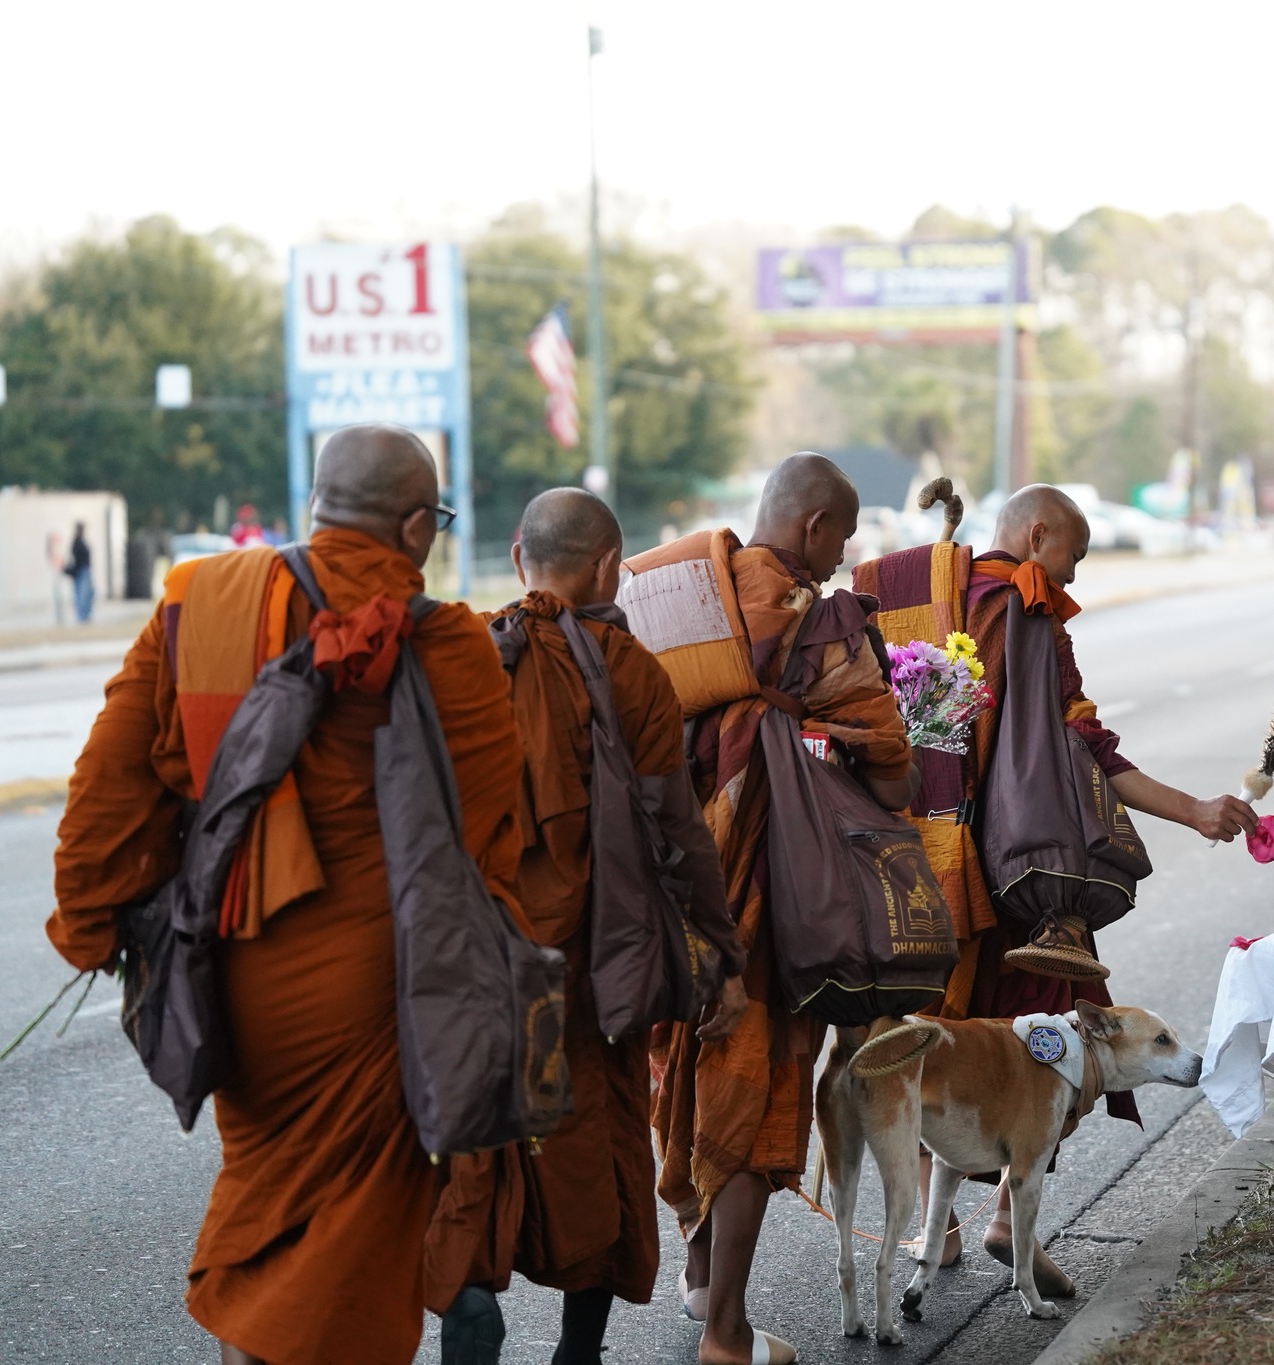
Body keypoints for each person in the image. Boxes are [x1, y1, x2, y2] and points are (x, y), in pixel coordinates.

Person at [47, 424, 523, 1365]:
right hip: (382, 989)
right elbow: (483, 840)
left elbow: (105, 789)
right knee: (344, 1253)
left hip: (239, 975)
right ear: (417, 522)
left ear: (316, 504)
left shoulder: (198, 601)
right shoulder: (452, 643)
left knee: (268, 1213)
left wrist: (92, 923)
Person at [902, 485, 1257, 1287]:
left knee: (939, 1028)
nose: (1074, 575)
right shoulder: (1030, 612)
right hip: (1025, 870)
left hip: (933, 859)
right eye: (1074, 553)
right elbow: (1089, 746)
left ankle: (942, 1230)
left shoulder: (938, 594)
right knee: (1059, 1034)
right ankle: (1006, 1213)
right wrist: (1195, 810)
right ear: (1037, 537)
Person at [424, 489, 747, 1364]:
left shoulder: (464, 653)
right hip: (587, 965)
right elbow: (677, 834)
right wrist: (717, 955)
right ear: (609, 568)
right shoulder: (630, 668)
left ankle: (466, 1301)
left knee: (476, 1138)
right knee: (597, 1143)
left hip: (480, 953)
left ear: (521, 554)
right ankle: (578, 1349)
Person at [650, 453, 918, 1365]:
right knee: (755, 1090)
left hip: (671, 883)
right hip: (770, 901)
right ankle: (725, 1330)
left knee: (686, 1064)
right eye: (840, 534)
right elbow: (893, 764)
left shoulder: (679, 591)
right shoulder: (821, 625)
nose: (843, 555)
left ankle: (696, 1275)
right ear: (813, 527)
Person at [65, 521, 94, 623]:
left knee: (88, 594)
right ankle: (81, 617)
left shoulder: (81, 541)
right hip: (81, 571)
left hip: (85, 570)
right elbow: (75, 559)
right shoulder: (77, 542)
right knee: (82, 595)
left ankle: (85, 616)